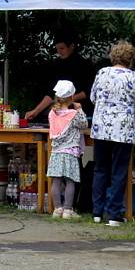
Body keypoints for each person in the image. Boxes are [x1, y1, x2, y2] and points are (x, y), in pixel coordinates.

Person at [90, 41, 135, 226]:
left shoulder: (102, 73)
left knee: (100, 169)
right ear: (130, 59)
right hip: (122, 130)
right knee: (119, 171)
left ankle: (97, 212)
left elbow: (92, 97)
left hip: (101, 128)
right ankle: (114, 214)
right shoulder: (133, 77)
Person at [25, 33, 94, 121]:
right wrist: (36, 111)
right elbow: (51, 92)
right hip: (60, 109)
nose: (59, 52)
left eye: (62, 48)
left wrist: (64, 101)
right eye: (57, 49)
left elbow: (87, 92)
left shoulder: (84, 65)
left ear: (72, 46)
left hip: (81, 111)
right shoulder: (56, 65)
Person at [47, 80, 89, 219]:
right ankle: (68, 210)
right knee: (70, 181)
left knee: (56, 181)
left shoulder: (52, 113)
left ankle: (57, 209)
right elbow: (84, 124)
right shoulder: (74, 114)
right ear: (72, 97)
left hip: (56, 152)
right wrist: (79, 109)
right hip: (70, 152)